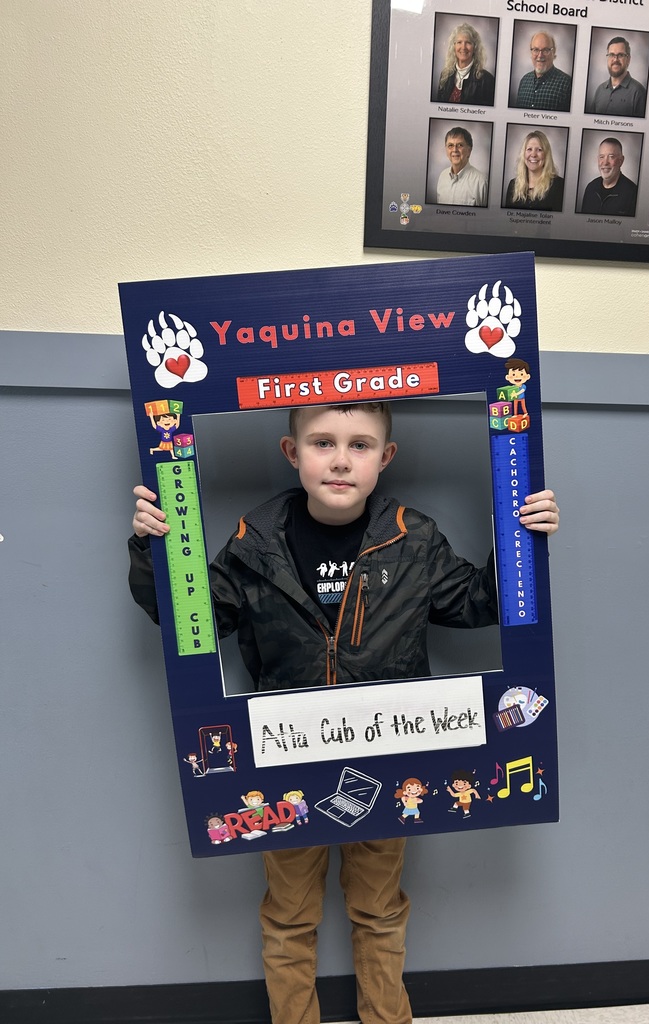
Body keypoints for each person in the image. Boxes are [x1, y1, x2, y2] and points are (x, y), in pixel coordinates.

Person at [129, 401, 559, 1024]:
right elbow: (193, 623)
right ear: (292, 453)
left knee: (380, 909)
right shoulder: (254, 543)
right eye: (322, 443)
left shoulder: (415, 538)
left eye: (360, 445)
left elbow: (479, 602)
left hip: (388, 762)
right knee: (289, 914)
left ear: (385, 458)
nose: (339, 459)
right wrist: (153, 550)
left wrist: (526, 537)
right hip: (286, 766)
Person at [435, 22, 496, 106]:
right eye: (459, 42)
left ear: (475, 47)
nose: (463, 47)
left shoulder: (487, 80)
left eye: (468, 43)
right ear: (454, 46)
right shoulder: (445, 75)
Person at [504, 131, 564, 211]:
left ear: (546, 155)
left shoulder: (559, 185)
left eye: (539, 150)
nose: (533, 154)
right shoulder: (513, 185)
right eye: (529, 149)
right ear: (523, 154)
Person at [513, 30, 572, 112]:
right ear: (531, 52)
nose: (540, 55)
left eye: (545, 50)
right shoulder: (524, 81)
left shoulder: (567, 84)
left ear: (553, 52)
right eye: (536, 50)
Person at [587, 36, 647, 117]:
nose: (615, 59)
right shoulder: (600, 90)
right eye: (611, 55)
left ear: (628, 59)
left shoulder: (638, 92)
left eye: (620, 55)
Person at [580, 137, 638, 216]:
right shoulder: (590, 188)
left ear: (621, 161)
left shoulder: (633, 193)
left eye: (611, 157)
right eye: (601, 157)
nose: (605, 163)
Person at [435, 126, 488, 206]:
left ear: (469, 151)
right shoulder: (442, 176)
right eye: (450, 145)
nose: (454, 150)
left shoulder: (481, 182)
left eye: (460, 145)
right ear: (446, 149)